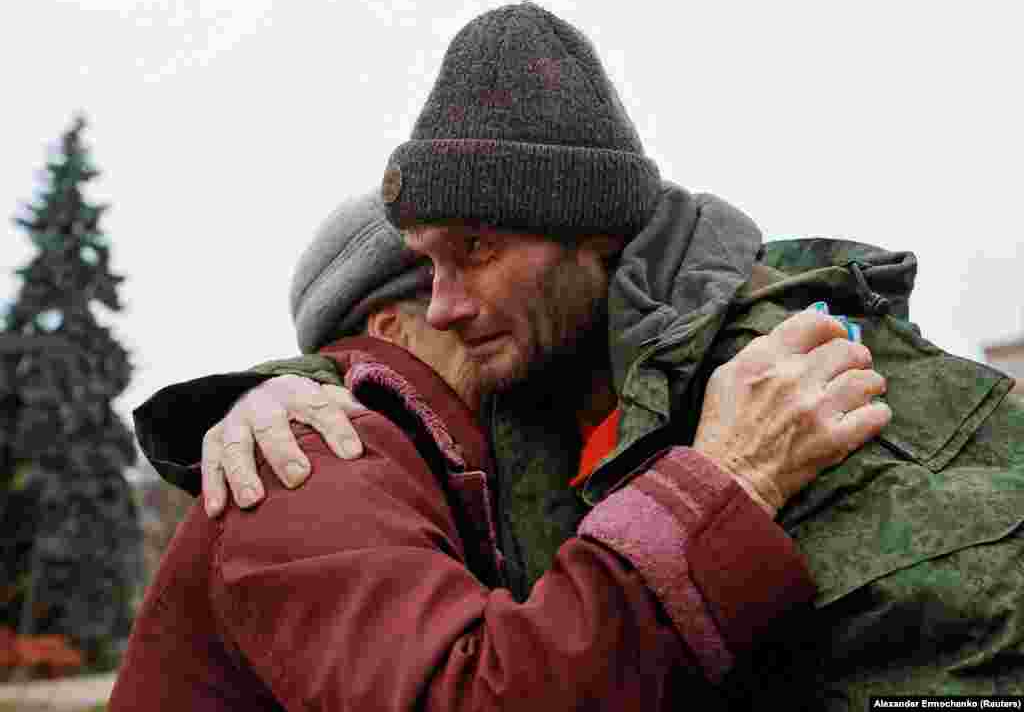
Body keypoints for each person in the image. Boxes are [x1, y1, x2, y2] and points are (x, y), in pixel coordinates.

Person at [134, 2, 1024, 704]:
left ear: (590, 233)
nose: (441, 306)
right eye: (425, 269)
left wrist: (733, 479)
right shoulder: (518, 387)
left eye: (475, 250)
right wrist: (279, 390)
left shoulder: (798, 382)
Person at [111, 191, 831, 711]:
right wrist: (719, 487)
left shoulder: (436, 464)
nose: (478, 313)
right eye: (450, 288)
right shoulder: (314, 456)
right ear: (393, 327)